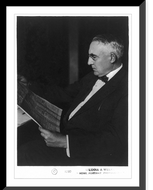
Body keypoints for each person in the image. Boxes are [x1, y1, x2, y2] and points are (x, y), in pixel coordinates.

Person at [18, 34, 128, 166]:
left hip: (85, 154)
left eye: (94, 57)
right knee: (22, 140)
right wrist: (29, 85)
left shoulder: (128, 87)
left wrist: (66, 142)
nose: (88, 62)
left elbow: (117, 140)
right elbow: (64, 94)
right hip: (63, 132)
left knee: (25, 152)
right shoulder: (92, 77)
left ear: (112, 58)